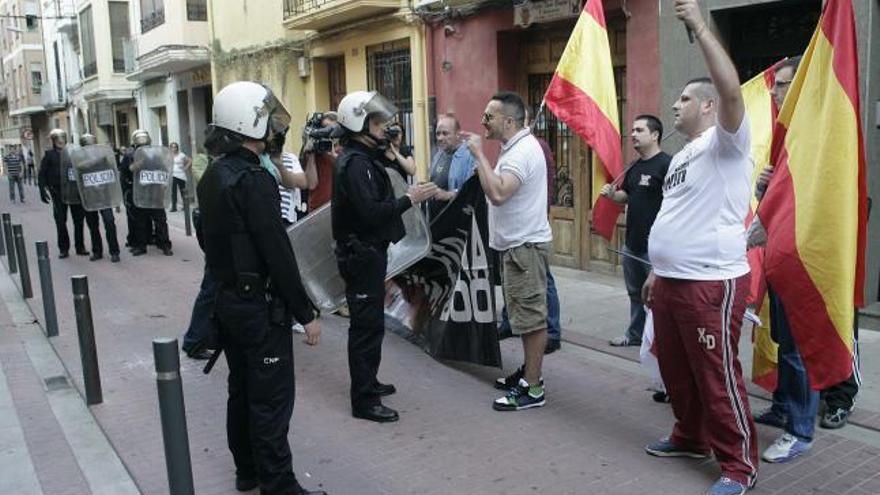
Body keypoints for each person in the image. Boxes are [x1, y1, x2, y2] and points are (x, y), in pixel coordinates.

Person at [641, 2, 757, 494]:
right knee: (677, 369)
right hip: (671, 281)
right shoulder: (685, 154)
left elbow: (731, 89)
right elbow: (675, 217)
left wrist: (699, 26)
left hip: (711, 283)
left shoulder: (727, 142)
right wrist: (656, 270)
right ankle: (690, 437)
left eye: (685, 98)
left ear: (708, 106)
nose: (675, 105)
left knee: (716, 375)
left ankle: (739, 467)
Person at [198, 81, 324, 495]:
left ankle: (247, 471)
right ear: (246, 124)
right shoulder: (254, 180)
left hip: (228, 302)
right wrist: (305, 313)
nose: (272, 127)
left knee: (241, 390)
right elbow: (277, 253)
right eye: (266, 119)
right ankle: (279, 485)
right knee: (270, 399)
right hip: (259, 309)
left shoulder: (213, 175)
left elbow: (207, 241)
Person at [332, 90, 437, 423]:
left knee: (372, 325)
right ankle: (363, 401)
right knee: (365, 328)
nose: (384, 129)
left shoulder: (363, 158)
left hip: (368, 254)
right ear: (359, 125)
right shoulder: (354, 164)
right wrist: (410, 198)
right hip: (360, 255)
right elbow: (371, 214)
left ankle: (370, 381)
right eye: (377, 124)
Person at [463, 91, 553, 412]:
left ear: (509, 121)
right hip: (516, 247)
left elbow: (499, 193)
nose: (483, 121)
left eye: (489, 116)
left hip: (524, 248)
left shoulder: (521, 151)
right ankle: (529, 374)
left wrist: (479, 155)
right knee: (522, 317)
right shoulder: (514, 147)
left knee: (531, 319)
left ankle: (533, 387)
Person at [495, 109, 562, 355]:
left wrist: (540, 211)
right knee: (515, 285)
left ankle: (552, 332)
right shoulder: (510, 147)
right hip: (514, 233)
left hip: (530, 231)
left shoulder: (532, 147)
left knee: (543, 282)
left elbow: (540, 185)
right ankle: (510, 321)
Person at [603, 115, 671, 348]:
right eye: (632, 130)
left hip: (656, 247)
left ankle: (661, 342)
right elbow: (627, 195)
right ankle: (635, 335)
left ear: (655, 135)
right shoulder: (634, 166)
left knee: (658, 297)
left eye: (639, 130)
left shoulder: (668, 165)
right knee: (635, 293)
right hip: (632, 243)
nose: (633, 134)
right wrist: (613, 195)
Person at [121, 129, 173, 256]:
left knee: (161, 220)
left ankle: (164, 244)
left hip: (155, 192)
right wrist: (137, 164)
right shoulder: (130, 155)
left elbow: (163, 170)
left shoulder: (156, 155)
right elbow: (126, 172)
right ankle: (141, 245)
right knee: (140, 221)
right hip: (140, 192)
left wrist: (164, 185)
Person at [39, 129, 90, 258]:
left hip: (74, 191)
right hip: (58, 192)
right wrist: (42, 190)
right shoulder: (49, 155)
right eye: (57, 139)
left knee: (78, 221)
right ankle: (63, 248)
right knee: (61, 221)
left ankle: (80, 246)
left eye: (62, 138)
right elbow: (42, 173)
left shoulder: (73, 152)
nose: (60, 141)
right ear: (53, 141)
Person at [79, 133, 121, 263]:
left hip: (104, 195)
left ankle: (114, 251)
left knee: (109, 222)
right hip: (89, 196)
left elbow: (112, 173)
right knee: (93, 225)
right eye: (88, 145)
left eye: (92, 144)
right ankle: (97, 251)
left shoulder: (103, 157)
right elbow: (79, 169)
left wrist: (116, 200)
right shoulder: (79, 158)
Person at [426, 114, 476, 220]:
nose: (440, 138)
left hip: (456, 222)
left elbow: (473, 193)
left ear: (457, 134)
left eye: (445, 133)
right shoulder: (438, 154)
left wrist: (447, 195)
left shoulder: (469, 156)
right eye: (438, 133)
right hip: (435, 222)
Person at [305, 112, 338, 212]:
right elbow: (311, 184)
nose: (327, 134)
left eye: (331, 130)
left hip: (338, 209)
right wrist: (310, 155)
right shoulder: (314, 151)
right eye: (324, 129)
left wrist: (334, 157)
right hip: (317, 209)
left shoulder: (345, 151)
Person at [169, 142, 191, 212]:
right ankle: (174, 207)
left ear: (177, 148)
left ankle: (185, 206)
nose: (173, 148)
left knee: (182, 191)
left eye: (175, 147)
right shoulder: (169, 155)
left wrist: (185, 167)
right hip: (173, 175)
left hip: (181, 175)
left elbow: (189, 160)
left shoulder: (181, 155)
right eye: (172, 147)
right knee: (173, 191)